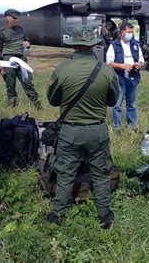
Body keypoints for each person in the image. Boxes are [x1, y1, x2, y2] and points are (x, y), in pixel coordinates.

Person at [46, 25, 119, 229]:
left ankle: (59, 214)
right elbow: (112, 101)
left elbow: (53, 100)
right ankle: (104, 215)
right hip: (97, 130)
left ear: (74, 46)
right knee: (101, 172)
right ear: (93, 46)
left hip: (70, 131)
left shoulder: (62, 69)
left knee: (65, 171)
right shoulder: (105, 70)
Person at [0, 8, 41, 109]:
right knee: (10, 83)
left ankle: (36, 104)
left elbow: (27, 42)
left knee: (27, 81)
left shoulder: (21, 30)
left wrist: (27, 44)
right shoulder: (1, 31)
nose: (16, 20)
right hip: (8, 60)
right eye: (13, 18)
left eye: (17, 18)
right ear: (7, 18)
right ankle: (13, 105)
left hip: (21, 59)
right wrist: (1, 67)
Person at [106, 21, 144, 132]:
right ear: (121, 32)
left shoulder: (135, 44)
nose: (130, 34)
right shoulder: (114, 45)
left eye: (132, 32)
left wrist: (139, 64)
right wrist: (121, 66)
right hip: (120, 78)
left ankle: (132, 125)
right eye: (129, 32)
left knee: (131, 103)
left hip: (133, 77)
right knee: (117, 104)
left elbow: (141, 59)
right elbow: (109, 62)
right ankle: (117, 126)